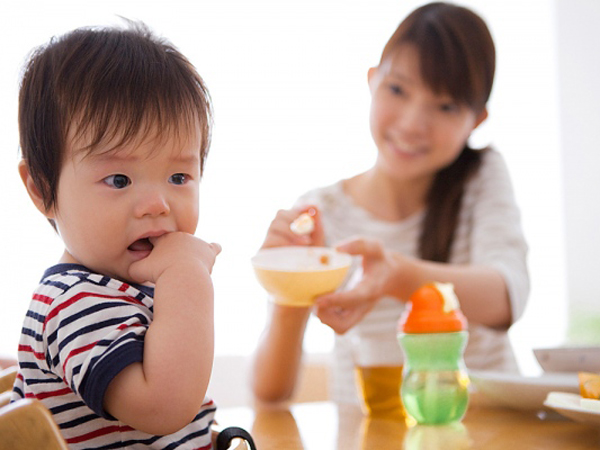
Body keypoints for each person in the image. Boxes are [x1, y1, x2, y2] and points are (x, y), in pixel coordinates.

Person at [251, 2, 529, 405]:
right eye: (397, 89)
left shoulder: (481, 176)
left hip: (489, 429)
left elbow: (507, 297)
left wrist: (398, 276)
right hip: (370, 430)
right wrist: (291, 287)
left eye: (446, 106)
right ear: (371, 81)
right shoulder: (321, 212)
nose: (413, 123)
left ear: (477, 120)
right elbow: (269, 393)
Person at [12, 22, 221, 448]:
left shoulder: (124, 289)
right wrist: (188, 275)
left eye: (179, 176)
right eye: (120, 180)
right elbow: (165, 407)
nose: (157, 204)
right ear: (42, 189)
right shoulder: (74, 303)